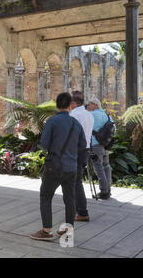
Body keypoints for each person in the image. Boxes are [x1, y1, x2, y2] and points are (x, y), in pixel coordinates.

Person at [30, 92, 86, 241]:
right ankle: (68, 229)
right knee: (70, 199)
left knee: (46, 196)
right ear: (70, 105)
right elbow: (83, 145)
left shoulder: (52, 121)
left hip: (54, 167)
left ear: (57, 105)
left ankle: (46, 230)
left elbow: (44, 143)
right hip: (72, 167)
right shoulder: (76, 123)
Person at [70, 91, 94, 222]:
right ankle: (77, 210)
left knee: (75, 182)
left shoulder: (74, 115)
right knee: (75, 180)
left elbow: (71, 135)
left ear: (73, 103)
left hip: (75, 150)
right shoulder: (88, 115)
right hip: (85, 149)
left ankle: (82, 212)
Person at [87, 97, 113, 200]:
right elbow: (114, 128)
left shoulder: (91, 115)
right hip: (106, 145)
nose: (88, 106)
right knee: (106, 166)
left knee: (98, 167)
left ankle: (104, 191)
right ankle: (108, 189)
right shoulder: (107, 115)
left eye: (89, 104)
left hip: (96, 144)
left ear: (96, 105)